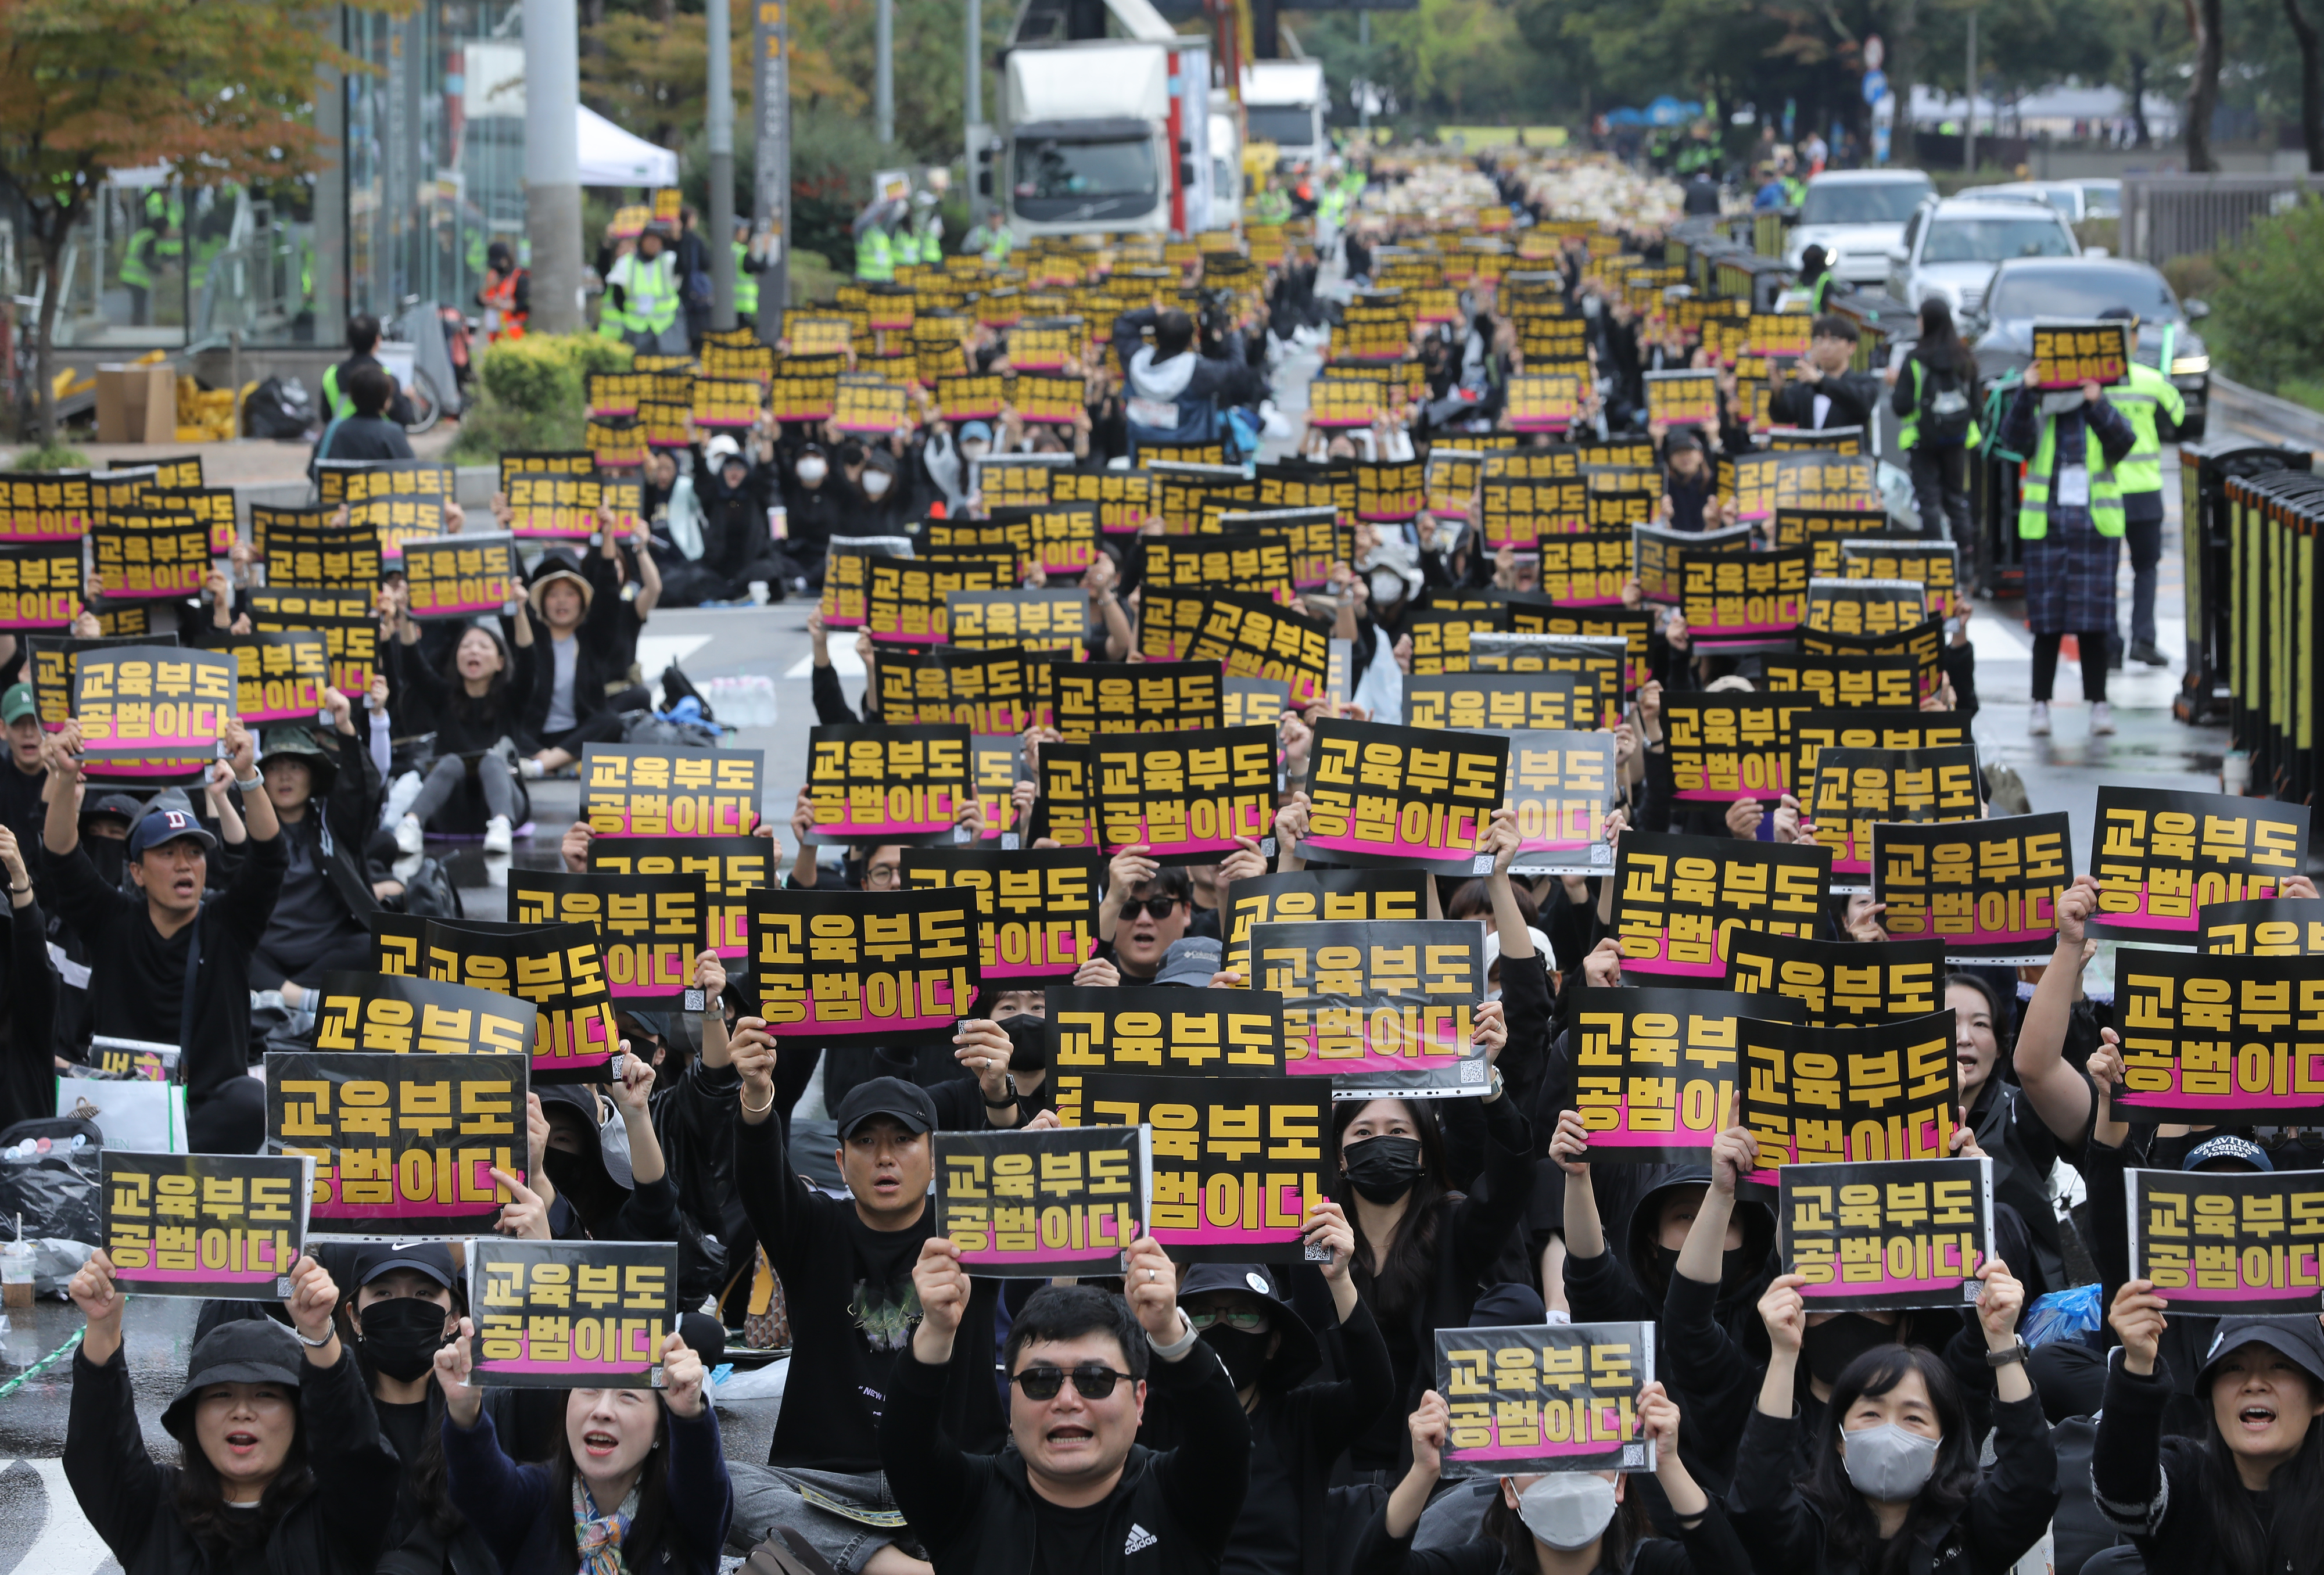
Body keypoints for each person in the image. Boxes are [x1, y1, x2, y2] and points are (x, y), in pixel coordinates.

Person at [726, 1018, 1008, 1573]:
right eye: (865, 1141)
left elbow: (1028, 1171)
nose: (885, 1157)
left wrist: (1000, 1096)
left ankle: (853, 1560)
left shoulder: (973, 1225)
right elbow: (760, 1177)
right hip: (825, 1485)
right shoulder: (813, 1228)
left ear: (935, 1155)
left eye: (903, 1139)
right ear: (839, 1160)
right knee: (724, 1477)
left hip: (949, 1475)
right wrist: (757, 1097)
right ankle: (884, 1564)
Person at [881, 1235, 1254, 1575]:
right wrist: (936, 1329)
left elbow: (1226, 1441)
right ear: (1011, 1398)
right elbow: (905, 1443)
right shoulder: (968, 1504)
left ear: (1140, 1400)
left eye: (1095, 1380)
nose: (1067, 1401)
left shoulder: (1180, 1501)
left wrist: (1168, 1328)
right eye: (1040, 1382)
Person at [64, 1250, 400, 1575]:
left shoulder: (337, 1514)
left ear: (300, 1416)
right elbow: (100, 1448)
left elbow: (357, 1451)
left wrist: (319, 1335)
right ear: (191, 1417)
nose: (242, 1411)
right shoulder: (154, 1509)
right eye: (221, 1395)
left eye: (265, 1394)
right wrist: (104, 1327)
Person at [44, 720, 285, 1153]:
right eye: (167, 852)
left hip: (205, 1115)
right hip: (121, 1112)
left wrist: (249, 777)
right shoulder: (111, 921)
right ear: (136, 871)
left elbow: (269, 860)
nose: (185, 864)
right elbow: (61, 856)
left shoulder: (230, 925)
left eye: (194, 852)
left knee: (252, 1101)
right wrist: (64, 777)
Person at [1730, 1260, 2056, 1575]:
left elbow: (2031, 1483)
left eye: (1913, 1418)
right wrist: (1784, 1355)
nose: (1889, 1430)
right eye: (1871, 1413)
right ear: (1840, 1438)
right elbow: (1757, 1500)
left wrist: (2002, 1341)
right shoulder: (1810, 1535)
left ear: (1943, 1444)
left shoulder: (1972, 1530)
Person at [1141, 1228, 1392, 1575]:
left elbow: (1375, 1390)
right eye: (1201, 1316)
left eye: (1244, 1315)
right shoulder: (1148, 1416)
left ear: (1273, 1342)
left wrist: (1339, 1278)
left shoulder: (1301, 1419)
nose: (1223, 1324)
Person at [1335, 1053, 1533, 1473]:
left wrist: (1486, 1078)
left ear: (1424, 1151)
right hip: (1336, 1470)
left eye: (1398, 1131)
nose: (1381, 1142)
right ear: (1339, 1156)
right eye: (1364, 1132)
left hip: (1430, 1469)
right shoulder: (1317, 1237)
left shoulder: (1453, 1228)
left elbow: (1510, 1176)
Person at [436, 1315, 730, 1575]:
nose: (602, 1411)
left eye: (628, 1395)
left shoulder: (685, 1512)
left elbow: (704, 1484)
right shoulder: (534, 1499)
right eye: (589, 1388)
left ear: (660, 1432)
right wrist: (464, 1409)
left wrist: (689, 1415)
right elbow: (480, 1486)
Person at [1367, 1383, 1747, 1575]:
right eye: (1542, 1461)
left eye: (1586, 1460)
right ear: (1509, 1489)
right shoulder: (1486, 1564)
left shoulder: (1647, 1564)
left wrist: (1667, 1462)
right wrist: (1423, 1472)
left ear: (1619, 1484)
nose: (1565, 1476)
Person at [2093, 1290, 2324, 1575]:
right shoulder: (2188, 1479)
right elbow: (2123, 1493)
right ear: (2212, 1396)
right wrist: (2138, 1366)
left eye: (2280, 1366)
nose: (2254, 1384)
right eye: (2234, 1367)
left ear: (2319, 1398)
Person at [1998, 378, 2136, 739]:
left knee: (2094, 625)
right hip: (2049, 528)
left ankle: (2099, 706)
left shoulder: (2099, 405)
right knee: (2047, 624)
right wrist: (2027, 391)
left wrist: (2098, 403)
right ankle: (2039, 705)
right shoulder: (2042, 408)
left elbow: (2125, 442)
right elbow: (2011, 439)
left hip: (2093, 530)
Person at [248, 705, 387, 1014]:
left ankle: (281, 998)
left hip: (329, 951)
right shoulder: (248, 828)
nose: (284, 776)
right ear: (260, 778)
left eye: (295, 766)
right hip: (268, 953)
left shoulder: (333, 821)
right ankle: (304, 1000)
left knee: (374, 946)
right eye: (273, 768)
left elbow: (363, 788)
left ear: (313, 775)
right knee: (227, 947)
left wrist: (345, 727)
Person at [388, 620, 534, 858]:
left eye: (483, 646)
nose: (474, 651)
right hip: (451, 811)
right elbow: (413, 664)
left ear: (500, 662)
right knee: (451, 762)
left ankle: (500, 826)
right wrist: (405, 616)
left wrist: (519, 612)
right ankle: (411, 825)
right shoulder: (443, 697)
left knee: (491, 761)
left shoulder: (512, 699)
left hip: (504, 805)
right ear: (457, 659)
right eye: (466, 646)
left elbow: (529, 660)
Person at [2094, 306, 2186, 668]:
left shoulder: (2090, 385)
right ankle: (2144, 641)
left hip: (2104, 491)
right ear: (2131, 337)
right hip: (2145, 493)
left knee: (2104, 571)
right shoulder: (2152, 382)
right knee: (2145, 568)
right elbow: (2177, 420)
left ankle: (2109, 647)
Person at [518, 554, 635, 772]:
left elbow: (609, 597)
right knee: (504, 724)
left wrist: (607, 537)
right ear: (542, 603)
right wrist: (505, 530)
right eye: (553, 595)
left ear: (582, 601)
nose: (562, 601)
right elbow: (517, 587)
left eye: (570, 594)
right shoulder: (531, 639)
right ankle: (555, 762)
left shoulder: (592, 639)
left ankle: (541, 766)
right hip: (536, 736)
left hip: (578, 733)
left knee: (610, 722)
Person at [1891, 297, 1981, 550]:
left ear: (1927, 322)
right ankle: (1965, 564)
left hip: (1922, 441)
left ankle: (1937, 560)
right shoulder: (1965, 357)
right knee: (1955, 501)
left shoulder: (1915, 359)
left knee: (1928, 502)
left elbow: (1901, 406)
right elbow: (1976, 403)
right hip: (1957, 439)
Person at [1768, 316, 1874, 432]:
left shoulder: (1862, 382)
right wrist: (1778, 389)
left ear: (1851, 347)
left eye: (1833, 340)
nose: (1825, 347)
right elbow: (1781, 416)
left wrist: (1821, 381)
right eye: (1819, 340)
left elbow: (1862, 405)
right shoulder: (1805, 385)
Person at [321, 312, 418, 425]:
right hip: (378, 440)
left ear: (349, 340)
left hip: (343, 439)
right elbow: (402, 418)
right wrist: (407, 399)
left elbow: (326, 416)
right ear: (378, 340)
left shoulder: (331, 374)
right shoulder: (387, 377)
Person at [602, 224, 684, 354]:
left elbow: (688, 264)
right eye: (650, 240)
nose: (653, 244)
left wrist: (678, 236)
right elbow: (617, 295)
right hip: (636, 328)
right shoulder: (626, 262)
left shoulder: (668, 260)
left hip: (667, 326)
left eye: (657, 240)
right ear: (642, 241)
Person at [314, 365, 415, 467]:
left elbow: (313, 470)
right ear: (386, 400)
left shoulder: (333, 430)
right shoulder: (392, 433)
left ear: (352, 397)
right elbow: (410, 469)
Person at [478, 240, 530, 342]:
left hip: (514, 337)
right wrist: (487, 287)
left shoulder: (520, 276)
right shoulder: (493, 276)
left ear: (506, 259)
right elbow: (478, 301)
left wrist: (504, 305)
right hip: (495, 336)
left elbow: (525, 306)